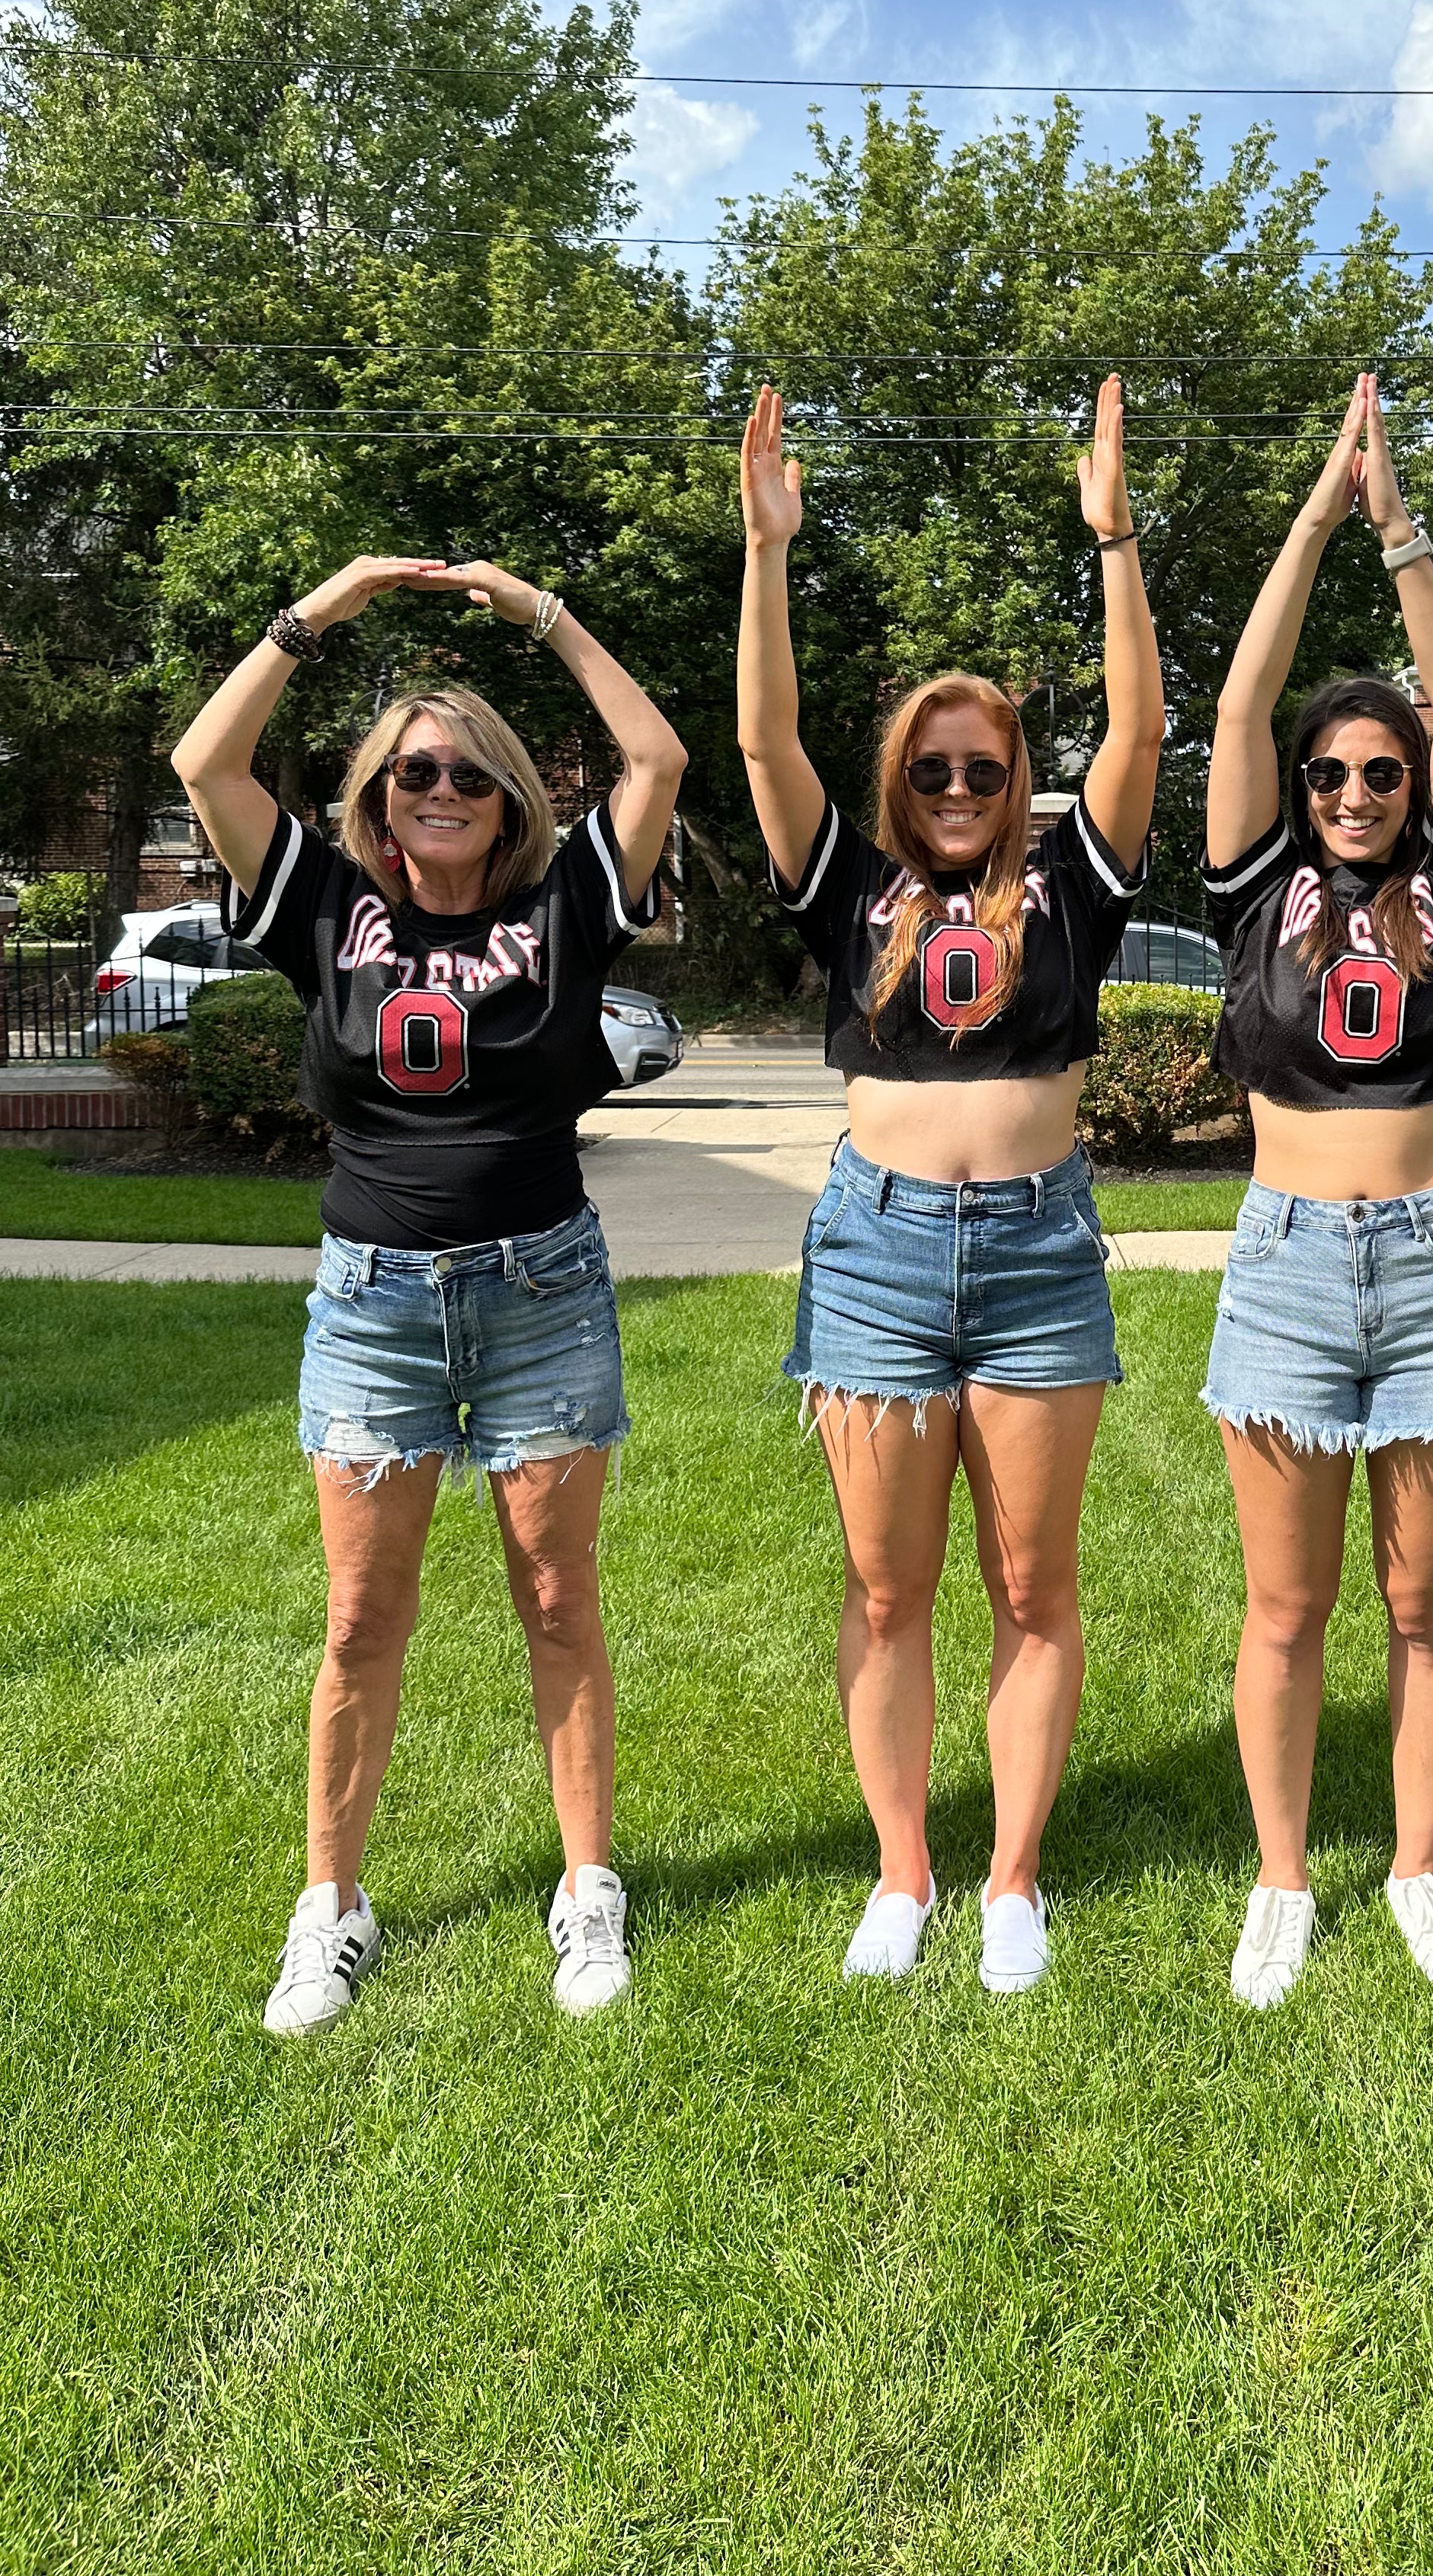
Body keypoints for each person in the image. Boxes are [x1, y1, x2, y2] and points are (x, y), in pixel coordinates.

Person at [171, 557, 686, 2035]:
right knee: (359, 1622)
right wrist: (323, 606)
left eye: (464, 769)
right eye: (411, 771)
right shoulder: (322, 908)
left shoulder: (570, 904)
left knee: (556, 1599)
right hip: (375, 1305)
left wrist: (539, 613)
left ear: (508, 797)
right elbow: (207, 759)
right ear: (378, 797)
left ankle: (589, 1889)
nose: (437, 786)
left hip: (542, 1295)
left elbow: (659, 755)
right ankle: (330, 1906)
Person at [737, 376, 1163, 1993]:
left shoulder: (1075, 890)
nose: (963, 793)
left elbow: (1140, 731)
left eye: (986, 770)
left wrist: (1113, 533)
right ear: (900, 787)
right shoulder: (848, 887)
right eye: (935, 774)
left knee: (1033, 1584)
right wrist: (772, 554)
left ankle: (1010, 1880)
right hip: (876, 1254)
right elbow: (765, 739)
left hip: (1044, 1250)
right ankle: (904, 1872)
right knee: (884, 1580)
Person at [1201, 374, 1433, 2012]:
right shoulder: (1263, 878)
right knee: (1287, 1601)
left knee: (1427, 1598)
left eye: (1375, 774)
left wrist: (1399, 528)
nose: (1351, 794)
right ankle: (1279, 1878)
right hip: (1286, 1256)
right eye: (1331, 774)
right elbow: (1244, 703)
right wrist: (1314, 514)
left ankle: (1416, 1868)